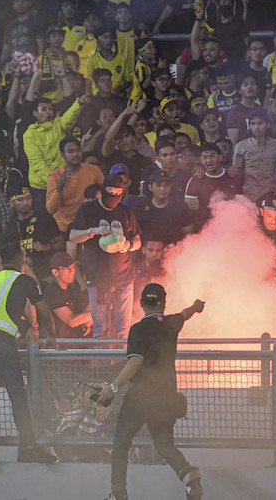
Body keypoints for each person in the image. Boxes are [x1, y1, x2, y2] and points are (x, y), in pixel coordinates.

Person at [96, 283, 205, 500]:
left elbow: (136, 361)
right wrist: (196, 306)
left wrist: (113, 388)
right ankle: (187, 473)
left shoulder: (138, 330)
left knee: (121, 443)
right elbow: (184, 314)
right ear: (163, 303)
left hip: (139, 398)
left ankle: (118, 493)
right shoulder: (171, 324)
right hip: (166, 397)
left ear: (141, 303)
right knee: (164, 444)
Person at [0, 243, 57, 468]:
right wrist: (52, 337)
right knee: (18, 396)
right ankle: (29, 448)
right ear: (22, 261)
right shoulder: (25, 281)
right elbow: (45, 313)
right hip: (1, 342)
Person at [68, 177, 141, 339]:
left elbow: (138, 241)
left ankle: (124, 363)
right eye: (110, 192)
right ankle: (103, 365)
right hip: (97, 279)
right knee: (100, 329)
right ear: (103, 191)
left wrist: (128, 245)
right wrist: (92, 231)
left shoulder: (126, 212)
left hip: (123, 278)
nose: (114, 196)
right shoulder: (87, 209)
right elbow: (73, 237)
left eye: (118, 193)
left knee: (124, 330)